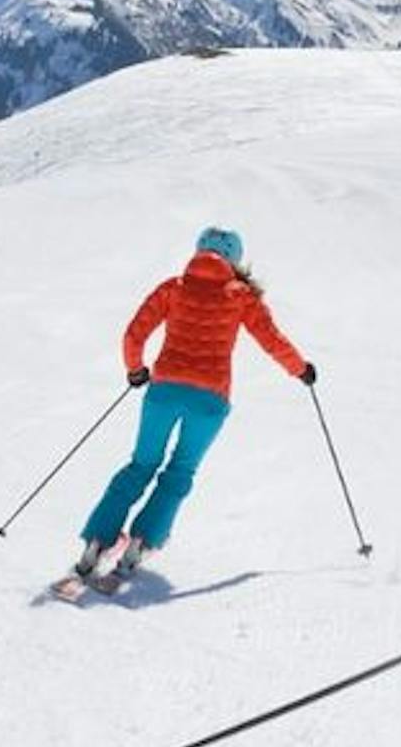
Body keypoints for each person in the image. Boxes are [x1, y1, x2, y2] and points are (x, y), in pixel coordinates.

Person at [70, 225, 318, 581]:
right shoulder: (241, 295)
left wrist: (135, 370)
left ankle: (98, 539)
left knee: (140, 465)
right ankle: (142, 540)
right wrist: (301, 370)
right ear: (234, 260)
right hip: (210, 400)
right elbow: (272, 340)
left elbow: (134, 333)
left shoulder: (174, 287)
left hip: (164, 392)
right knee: (180, 471)